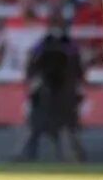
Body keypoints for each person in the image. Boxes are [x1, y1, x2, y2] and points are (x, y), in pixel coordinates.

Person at [18, 11, 85, 162]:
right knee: (37, 126)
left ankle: (75, 157)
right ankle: (28, 156)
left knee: (69, 127)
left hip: (64, 94)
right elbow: (32, 68)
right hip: (47, 94)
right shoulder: (43, 45)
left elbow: (78, 72)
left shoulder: (69, 46)